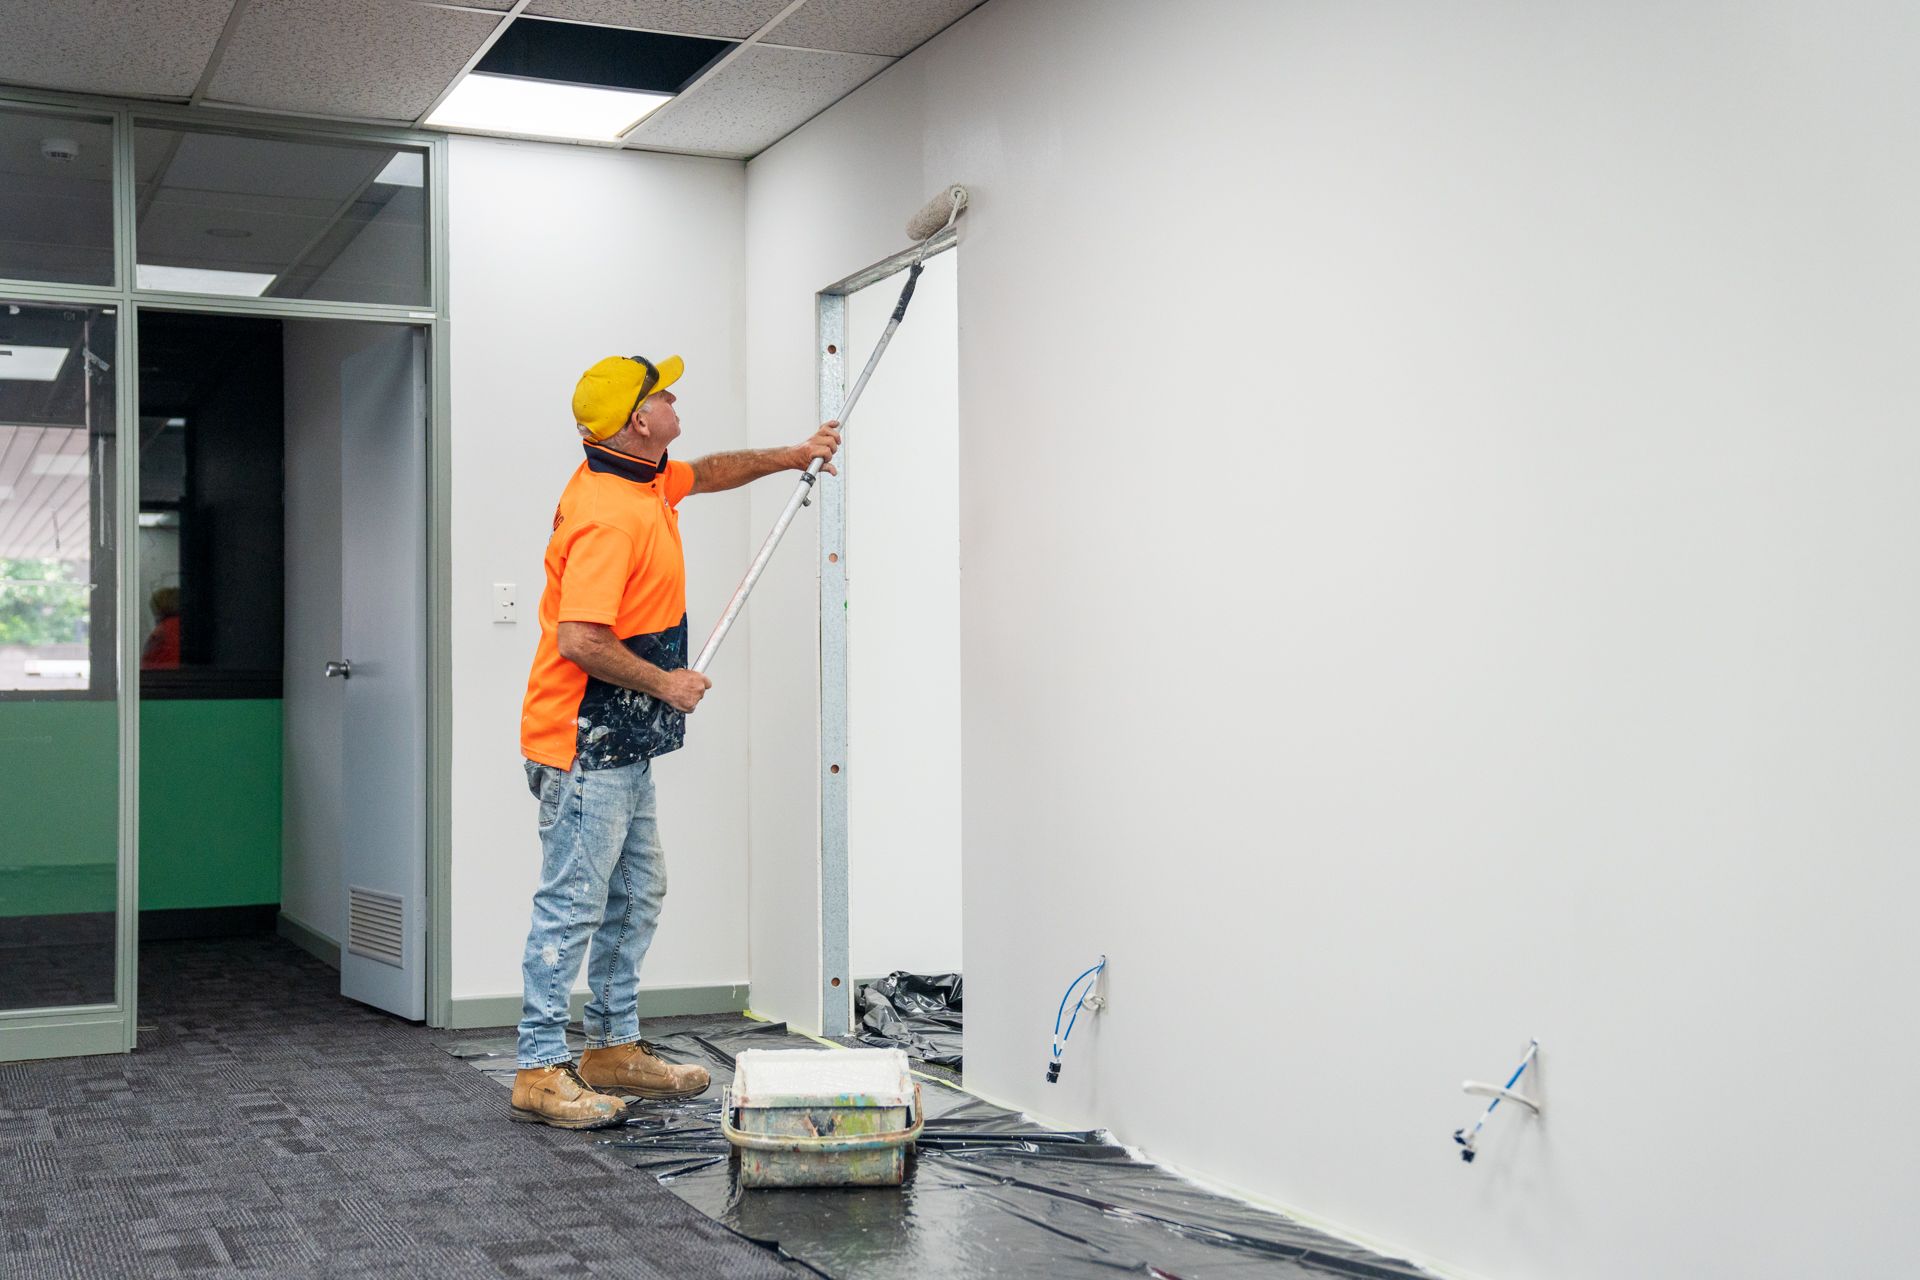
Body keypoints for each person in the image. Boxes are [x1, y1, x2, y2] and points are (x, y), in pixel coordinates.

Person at [511, 353, 840, 1128]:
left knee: (636, 892)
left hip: (620, 740)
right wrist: (666, 684)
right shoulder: (607, 514)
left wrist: (795, 455)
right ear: (636, 420)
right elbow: (581, 639)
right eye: (662, 395)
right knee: (572, 906)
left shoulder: (646, 478)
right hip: (583, 740)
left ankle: (611, 1051)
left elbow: (712, 471)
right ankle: (537, 1067)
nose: (674, 400)